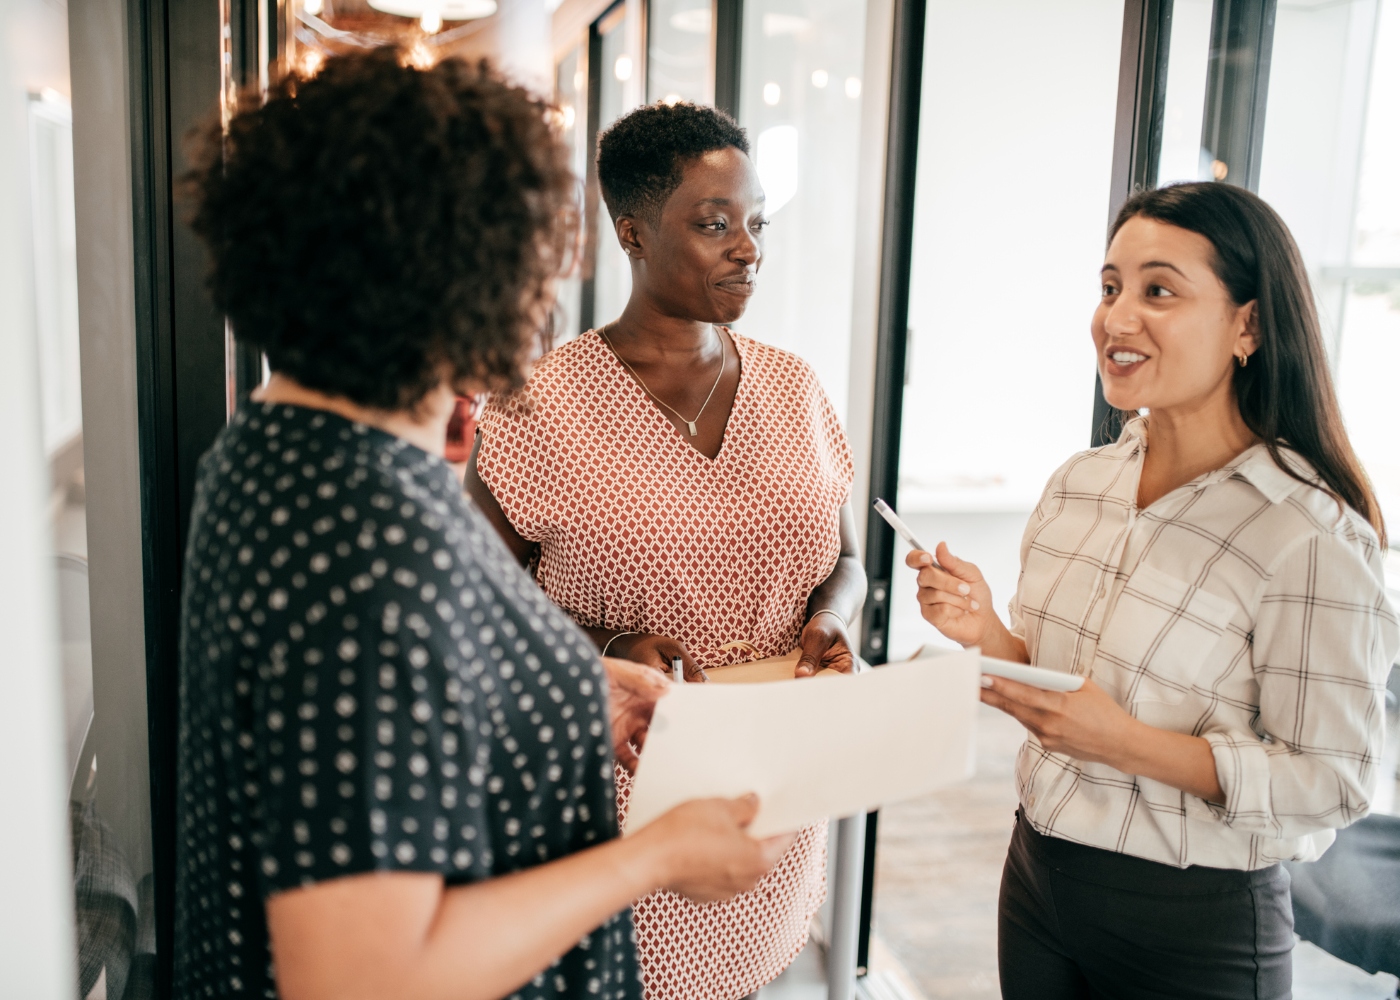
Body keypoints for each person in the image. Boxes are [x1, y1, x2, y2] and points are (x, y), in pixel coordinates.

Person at [174, 49, 792, 1000]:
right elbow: (359, 978)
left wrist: (572, 682)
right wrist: (653, 859)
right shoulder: (365, 546)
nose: (543, 302)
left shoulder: (279, 445)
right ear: (466, 273)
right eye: (538, 264)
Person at [909, 182, 1399, 1000]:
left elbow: (1334, 780)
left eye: (1158, 291)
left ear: (1249, 324)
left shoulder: (1308, 534)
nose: (1117, 318)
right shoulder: (1080, 485)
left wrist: (1124, 742)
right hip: (1037, 877)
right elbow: (1056, 684)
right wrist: (985, 631)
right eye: (1110, 288)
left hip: (1193, 921)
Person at [465, 102, 865, 999]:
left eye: (756, 224)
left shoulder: (796, 387)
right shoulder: (538, 403)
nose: (748, 249)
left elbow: (847, 559)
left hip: (777, 774)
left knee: (754, 972)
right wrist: (606, 646)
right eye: (714, 224)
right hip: (618, 788)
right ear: (634, 232)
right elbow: (479, 602)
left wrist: (833, 619)